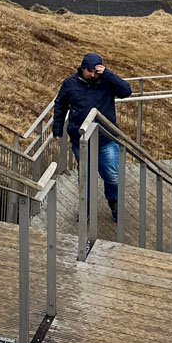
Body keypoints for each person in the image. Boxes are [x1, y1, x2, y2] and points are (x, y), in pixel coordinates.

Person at [52, 52, 132, 221]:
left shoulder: (106, 82)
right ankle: (85, 207)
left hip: (106, 138)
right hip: (80, 140)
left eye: (97, 72)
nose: (93, 75)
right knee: (85, 175)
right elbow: (60, 105)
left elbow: (126, 91)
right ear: (82, 69)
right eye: (90, 72)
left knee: (112, 175)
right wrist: (57, 129)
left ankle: (114, 203)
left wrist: (108, 73)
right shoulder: (70, 84)